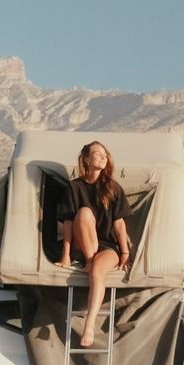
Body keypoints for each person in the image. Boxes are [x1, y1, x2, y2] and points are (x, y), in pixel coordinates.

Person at [53, 140, 133, 347]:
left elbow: (119, 224)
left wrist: (125, 253)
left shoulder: (113, 188)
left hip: (108, 247)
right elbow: (68, 223)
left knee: (98, 272)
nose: (103, 156)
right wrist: (66, 255)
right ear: (86, 159)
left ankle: (89, 325)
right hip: (82, 246)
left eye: (105, 154)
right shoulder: (74, 187)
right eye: (97, 153)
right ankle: (89, 260)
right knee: (84, 213)